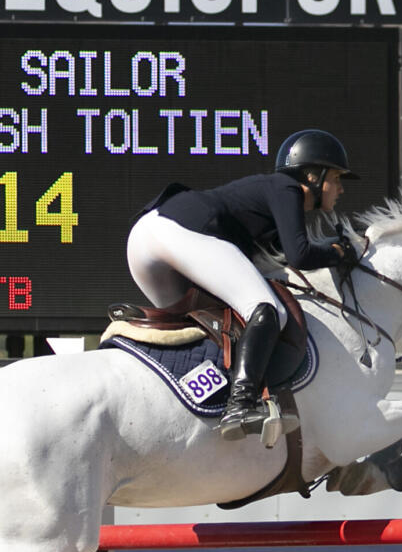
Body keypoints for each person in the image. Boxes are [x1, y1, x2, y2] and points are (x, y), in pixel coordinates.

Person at [126, 128, 358, 440]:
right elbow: (299, 255)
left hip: (143, 242)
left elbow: (279, 261)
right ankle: (241, 404)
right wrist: (338, 253)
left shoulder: (272, 198)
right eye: (337, 179)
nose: (341, 189)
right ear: (313, 176)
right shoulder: (288, 187)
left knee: (198, 330)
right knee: (266, 309)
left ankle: (195, 398)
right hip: (180, 230)